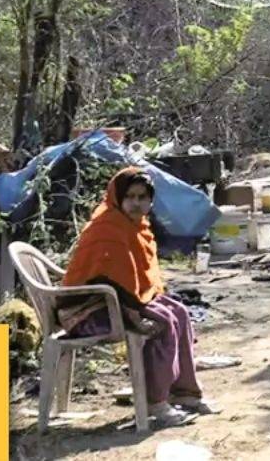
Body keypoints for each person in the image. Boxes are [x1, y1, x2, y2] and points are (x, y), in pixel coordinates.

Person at [59, 167, 216, 427]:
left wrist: (144, 303)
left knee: (179, 311)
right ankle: (156, 402)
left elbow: (136, 283)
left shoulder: (137, 227)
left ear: (150, 200)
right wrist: (138, 311)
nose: (136, 203)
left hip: (115, 300)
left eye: (143, 197)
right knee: (162, 322)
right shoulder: (107, 227)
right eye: (130, 196)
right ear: (117, 198)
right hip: (87, 310)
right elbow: (108, 280)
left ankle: (184, 392)